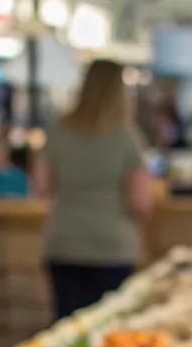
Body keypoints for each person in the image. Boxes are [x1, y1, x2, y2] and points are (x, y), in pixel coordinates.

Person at [35, 58, 153, 320]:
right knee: (107, 329)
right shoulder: (127, 137)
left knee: (66, 331)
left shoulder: (57, 131)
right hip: (112, 245)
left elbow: (41, 187)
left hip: (64, 241)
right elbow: (140, 201)